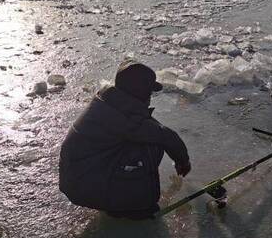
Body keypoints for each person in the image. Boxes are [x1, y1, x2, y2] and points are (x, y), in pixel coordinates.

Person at [59, 61, 191, 219]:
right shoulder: (125, 118)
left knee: (148, 137)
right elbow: (165, 136)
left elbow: (152, 127)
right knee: (151, 146)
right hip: (85, 184)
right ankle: (133, 205)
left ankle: (116, 198)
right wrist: (183, 162)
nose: (150, 97)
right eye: (149, 93)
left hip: (78, 177)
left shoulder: (110, 101)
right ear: (141, 93)